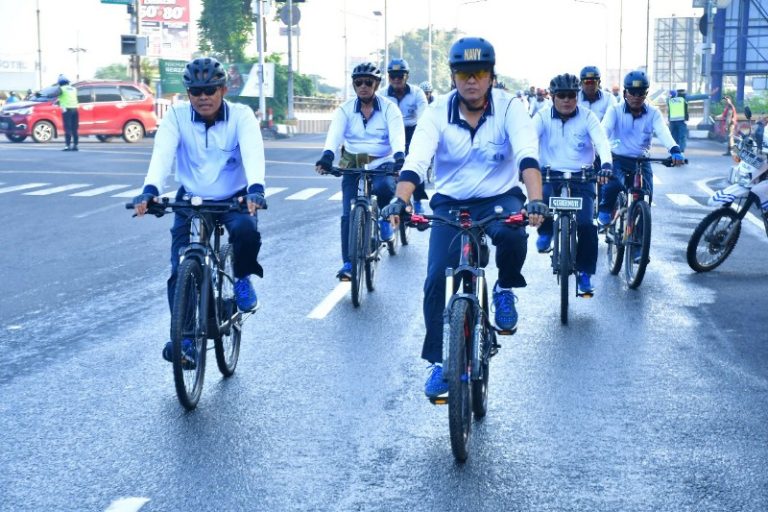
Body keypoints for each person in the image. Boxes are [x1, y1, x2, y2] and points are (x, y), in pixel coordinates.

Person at [380, 37, 546, 398]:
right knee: (436, 276)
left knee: (514, 236)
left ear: (491, 76)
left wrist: (535, 200)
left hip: (500, 196)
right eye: (464, 74)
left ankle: (504, 288)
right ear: (453, 77)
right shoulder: (437, 111)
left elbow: (527, 156)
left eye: (480, 72)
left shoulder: (510, 107)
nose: (472, 81)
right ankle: (439, 363)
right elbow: (417, 160)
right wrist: (400, 200)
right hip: (450, 203)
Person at [132, 57, 266, 368]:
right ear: (188, 93)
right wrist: (150, 190)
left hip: (234, 196)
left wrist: (256, 187)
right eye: (196, 91)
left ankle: (243, 277)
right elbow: (162, 154)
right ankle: (186, 342)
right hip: (191, 198)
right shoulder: (177, 117)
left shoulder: (242, 116)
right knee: (181, 267)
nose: (203, 97)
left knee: (245, 231)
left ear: (223, 89)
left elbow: (253, 151)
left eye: (209, 90)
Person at [315, 62, 406, 281]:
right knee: (348, 213)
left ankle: (384, 220)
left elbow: (396, 135)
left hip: (381, 160)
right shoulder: (345, 109)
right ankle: (348, 262)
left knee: (385, 187)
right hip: (352, 161)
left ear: (376, 85)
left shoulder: (389, 109)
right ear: (354, 85)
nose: (363, 86)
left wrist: (399, 156)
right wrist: (327, 156)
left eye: (368, 82)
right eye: (359, 83)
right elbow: (335, 134)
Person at [533, 73, 613, 296]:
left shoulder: (588, 117)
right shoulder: (541, 117)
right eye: (562, 95)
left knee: (587, 224)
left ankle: (585, 274)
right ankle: (546, 230)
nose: (567, 100)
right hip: (550, 174)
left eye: (571, 95)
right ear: (552, 96)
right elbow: (529, 141)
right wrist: (525, 165)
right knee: (542, 203)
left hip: (583, 177)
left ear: (577, 96)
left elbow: (601, 142)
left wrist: (606, 163)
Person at [597, 70, 686, 230]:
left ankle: (638, 249)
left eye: (641, 93)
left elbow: (663, 132)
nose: (637, 97)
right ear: (625, 93)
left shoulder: (653, 113)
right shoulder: (614, 111)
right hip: (617, 158)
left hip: (641, 161)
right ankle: (605, 209)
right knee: (613, 184)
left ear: (646, 94)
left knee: (646, 196)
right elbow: (603, 133)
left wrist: (674, 150)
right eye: (633, 92)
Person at [380, 58, 429, 214]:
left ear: (406, 76)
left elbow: (424, 117)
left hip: (411, 130)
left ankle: (418, 199)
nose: (396, 80)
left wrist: (421, 138)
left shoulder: (417, 93)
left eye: (400, 76)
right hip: (390, 132)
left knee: (415, 161)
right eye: (392, 76)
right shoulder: (381, 94)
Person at [56, 75, 79, 151]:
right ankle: (75, 145)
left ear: (60, 83)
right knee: (74, 128)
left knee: (67, 128)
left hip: (67, 110)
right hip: (75, 109)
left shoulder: (61, 89)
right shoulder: (74, 89)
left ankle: (67, 146)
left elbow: (53, 95)